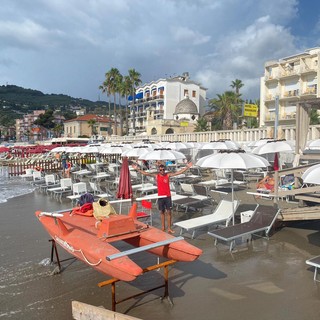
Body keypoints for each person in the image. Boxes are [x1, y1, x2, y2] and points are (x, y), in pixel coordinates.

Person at [132, 161, 193, 234]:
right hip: (161, 197)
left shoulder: (167, 175)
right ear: (159, 170)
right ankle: (163, 227)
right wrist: (137, 169)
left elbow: (178, 173)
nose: (162, 171)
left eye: (163, 169)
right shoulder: (156, 175)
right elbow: (145, 173)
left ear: (165, 169)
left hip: (167, 196)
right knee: (162, 212)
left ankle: (169, 228)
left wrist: (187, 167)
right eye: (161, 170)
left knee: (169, 212)